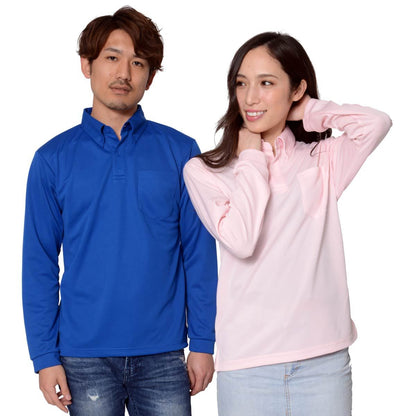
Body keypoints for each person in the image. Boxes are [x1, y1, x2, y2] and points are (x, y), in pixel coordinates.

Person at [183, 32, 392, 416]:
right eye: (242, 83)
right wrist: (251, 159)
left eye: (266, 83)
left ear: (296, 89)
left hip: (324, 361)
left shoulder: (322, 160)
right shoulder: (205, 171)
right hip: (248, 365)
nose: (250, 97)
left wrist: (309, 110)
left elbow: (376, 123)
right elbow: (242, 240)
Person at [22, 7, 217, 416]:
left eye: (138, 62)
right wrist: (44, 356)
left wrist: (202, 342)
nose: (124, 72)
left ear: (150, 76)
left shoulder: (181, 152)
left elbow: (199, 255)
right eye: (112, 57)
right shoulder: (52, 159)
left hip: (164, 353)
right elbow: (38, 263)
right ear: (86, 64)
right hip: (82, 357)